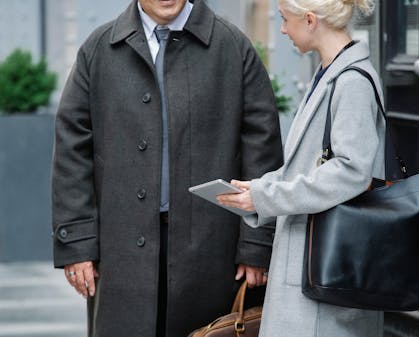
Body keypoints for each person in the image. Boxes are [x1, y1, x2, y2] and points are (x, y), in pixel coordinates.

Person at [51, 0, 283, 336]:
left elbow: (262, 150)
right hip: (119, 255)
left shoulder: (232, 47)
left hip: (213, 253)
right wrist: (77, 245)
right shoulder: (99, 50)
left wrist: (257, 245)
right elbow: (73, 152)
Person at [217, 0, 385, 336]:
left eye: (284, 19)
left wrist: (267, 195)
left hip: (325, 279)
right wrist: (257, 192)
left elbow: (350, 171)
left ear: (310, 20)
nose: (281, 29)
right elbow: (309, 165)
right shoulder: (330, 73)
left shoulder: (351, 81)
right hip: (312, 269)